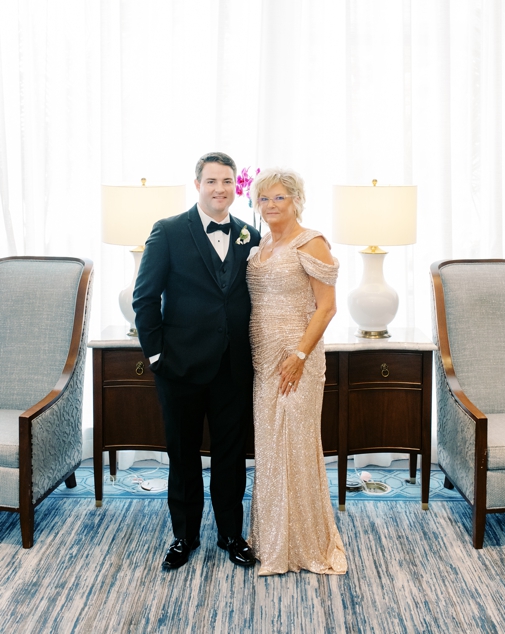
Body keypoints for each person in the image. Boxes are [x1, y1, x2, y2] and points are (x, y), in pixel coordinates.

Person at [133, 151, 261, 570]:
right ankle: (183, 536)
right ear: (198, 185)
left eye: (227, 181)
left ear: (235, 187)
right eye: (211, 181)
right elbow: (145, 299)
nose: (220, 189)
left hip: (234, 368)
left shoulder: (250, 235)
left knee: (231, 456)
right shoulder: (168, 231)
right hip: (179, 368)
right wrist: (156, 356)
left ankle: (230, 534)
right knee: (183, 455)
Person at [246, 168, 346, 575]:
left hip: (296, 360)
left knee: (296, 446)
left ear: (296, 200)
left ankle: (303, 544)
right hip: (263, 360)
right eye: (264, 199)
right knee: (270, 450)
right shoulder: (261, 244)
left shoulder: (312, 242)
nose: (271, 206)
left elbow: (327, 307)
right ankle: (272, 538)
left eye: (279, 198)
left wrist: (300, 355)